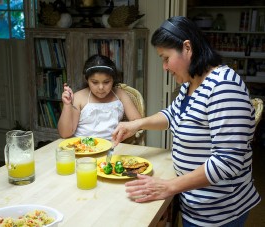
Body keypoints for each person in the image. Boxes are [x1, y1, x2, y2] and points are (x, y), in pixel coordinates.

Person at [112, 16, 261, 226]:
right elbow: (172, 115)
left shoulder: (224, 87)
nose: (164, 67)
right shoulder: (191, 83)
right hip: (194, 201)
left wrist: (170, 186)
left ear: (187, 48)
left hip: (219, 211)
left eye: (166, 58)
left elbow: (228, 161)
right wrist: (137, 124)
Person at [58, 54, 141, 141]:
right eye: (95, 82)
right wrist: (67, 105)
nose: (101, 87)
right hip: (83, 147)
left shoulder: (120, 94)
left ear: (113, 79)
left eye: (106, 82)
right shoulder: (79, 97)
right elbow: (65, 134)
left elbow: (139, 123)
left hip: (112, 147)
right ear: (87, 80)